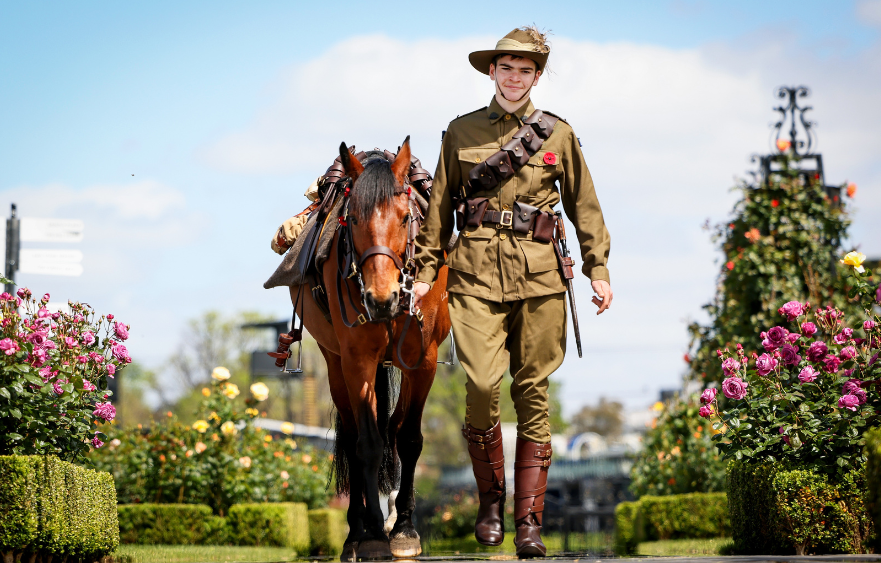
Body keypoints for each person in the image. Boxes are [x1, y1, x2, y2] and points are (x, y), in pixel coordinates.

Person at [412, 26, 612, 557]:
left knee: (534, 393)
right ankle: (489, 500)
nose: (515, 77)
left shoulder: (559, 135)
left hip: (542, 276)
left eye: (525, 70)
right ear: (492, 72)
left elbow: (584, 205)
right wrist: (427, 272)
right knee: (480, 386)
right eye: (506, 68)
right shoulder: (459, 132)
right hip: (474, 275)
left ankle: (528, 523)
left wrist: (598, 268)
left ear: (537, 76)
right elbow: (437, 209)